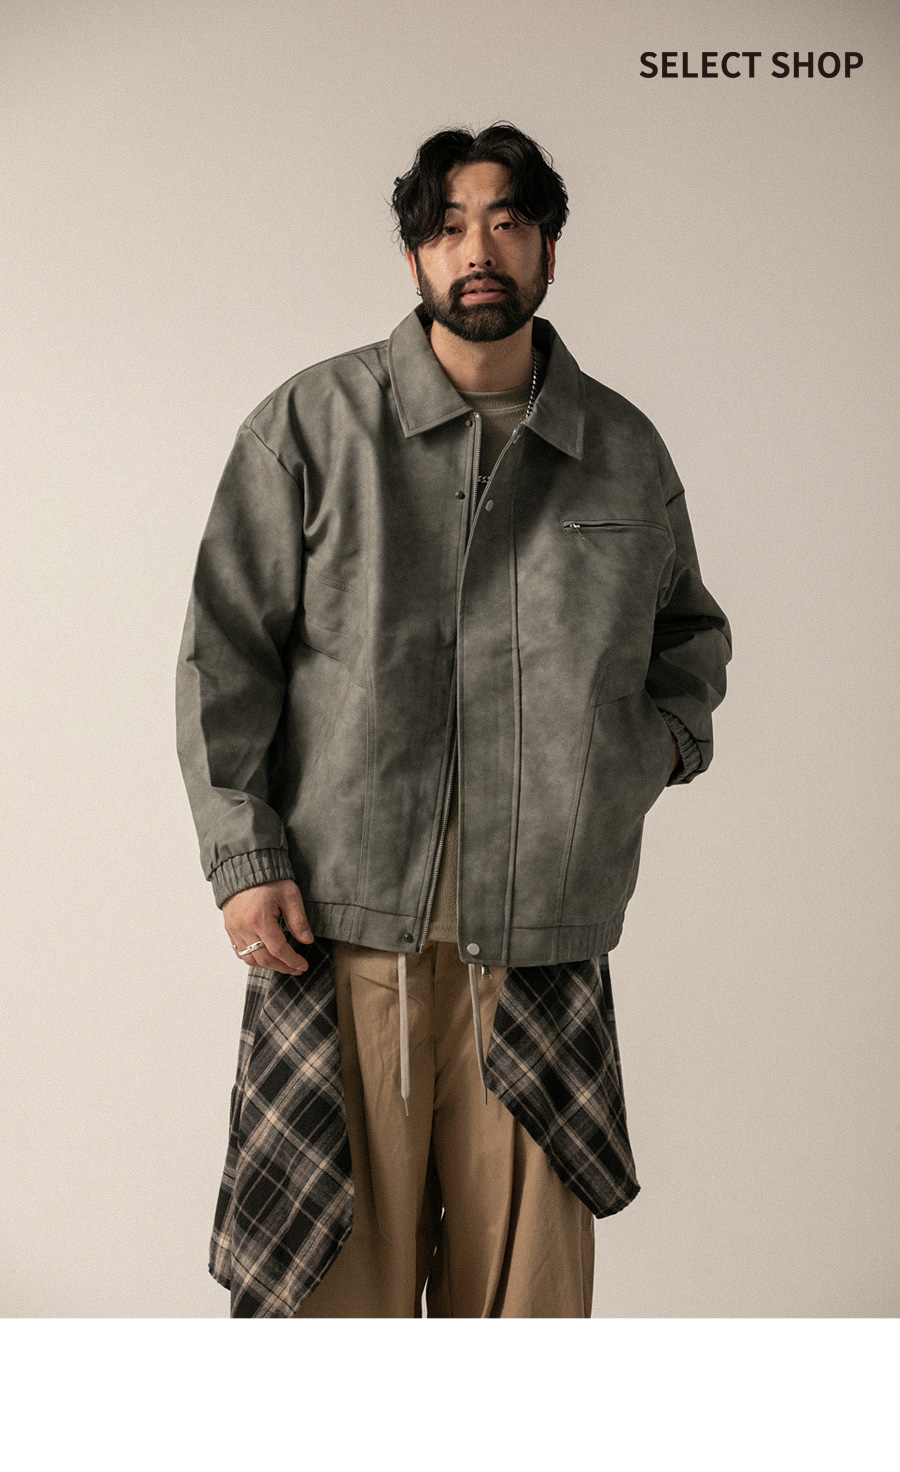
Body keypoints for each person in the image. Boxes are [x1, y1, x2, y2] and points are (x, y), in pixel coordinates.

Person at [175, 122, 732, 1319]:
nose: (478, 250)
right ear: (415, 255)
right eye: (447, 227)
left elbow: (690, 638)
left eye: (508, 222)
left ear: (548, 249)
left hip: (540, 942)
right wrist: (244, 858)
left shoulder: (620, 449)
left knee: (522, 1314)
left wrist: (641, 757)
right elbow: (226, 655)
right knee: (334, 1306)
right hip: (340, 935)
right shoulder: (313, 425)